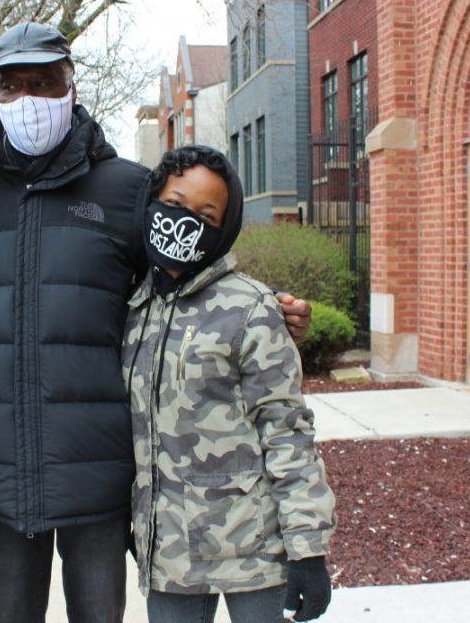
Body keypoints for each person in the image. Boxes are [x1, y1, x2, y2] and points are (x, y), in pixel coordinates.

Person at [0, 21, 312, 623]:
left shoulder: (125, 190)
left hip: (98, 471)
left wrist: (267, 307)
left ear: (71, 84)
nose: (30, 99)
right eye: (13, 87)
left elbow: (182, 276)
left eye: (45, 82)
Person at [123, 145, 335, 623]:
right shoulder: (133, 309)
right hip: (170, 553)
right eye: (174, 205)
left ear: (225, 226)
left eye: (206, 213)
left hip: (252, 552)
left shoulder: (252, 308)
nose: (184, 222)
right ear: (153, 201)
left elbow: (286, 430)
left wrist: (307, 549)